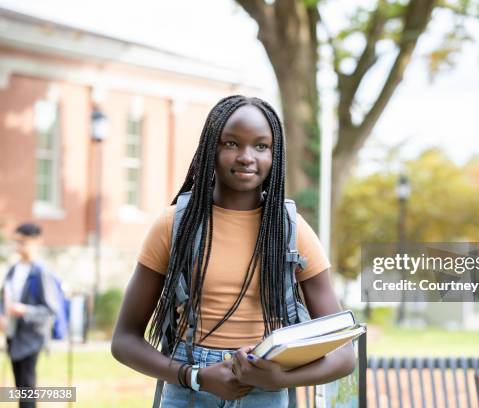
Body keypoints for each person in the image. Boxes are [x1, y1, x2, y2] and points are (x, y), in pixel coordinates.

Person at [111, 95, 355, 407]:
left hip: (264, 390)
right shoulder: (174, 225)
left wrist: (279, 379)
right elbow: (124, 341)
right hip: (190, 387)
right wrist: (195, 376)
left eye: (261, 146)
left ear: (274, 155)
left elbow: (344, 355)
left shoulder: (291, 230)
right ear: (210, 148)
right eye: (231, 144)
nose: (246, 157)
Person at [0, 222, 60, 408]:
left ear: (37, 242)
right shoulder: (13, 270)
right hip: (13, 335)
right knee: (21, 388)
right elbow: (4, 298)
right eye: (16, 242)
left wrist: (24, 310)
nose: (19, 246)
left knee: (27, 389)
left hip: (31, 339)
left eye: (23, 242)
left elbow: (51, 309)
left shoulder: (42, 272)